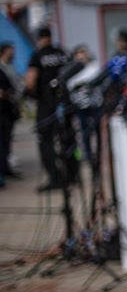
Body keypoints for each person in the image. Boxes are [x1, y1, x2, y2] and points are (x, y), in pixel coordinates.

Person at [25, 27, 75, 192]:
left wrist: (34, 95)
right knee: (68, 139)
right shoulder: (62, 53)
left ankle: (55, 178)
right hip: (65, 103)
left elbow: (30, 82)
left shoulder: (37, 55)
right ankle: (72, 176)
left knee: (45, 141)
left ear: (39, 38)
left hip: (47, 105)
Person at [0, 42, 23, 186]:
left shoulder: (8, 68)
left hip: (6, 110)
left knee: (6, 141)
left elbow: (11, 87)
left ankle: (5, 169)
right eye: (10, 50)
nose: (13, 53)